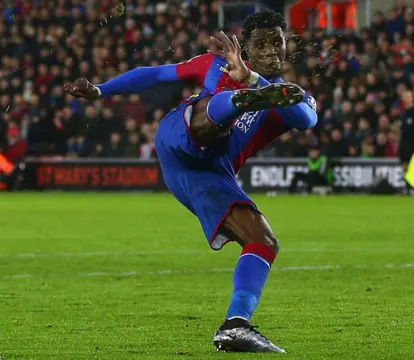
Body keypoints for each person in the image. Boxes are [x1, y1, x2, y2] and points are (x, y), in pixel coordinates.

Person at [65, 10, 317, 353]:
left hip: (206, 174)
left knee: (263, 241)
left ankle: (235, 325)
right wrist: (100, 90)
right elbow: (154, 75)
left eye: (278, 42)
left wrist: (255, 80)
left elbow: (307, 118)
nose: (272, 49)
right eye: (262, 44)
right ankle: (234, 101)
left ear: (288, 46)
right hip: (181, 133)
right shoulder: (214, 65)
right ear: (245, 47)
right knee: (214, 115)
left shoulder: (287, 95)